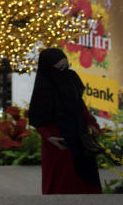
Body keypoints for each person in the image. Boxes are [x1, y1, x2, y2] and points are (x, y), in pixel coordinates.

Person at [28, 48, 102, 194]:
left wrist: (92, 125)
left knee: (87, 179)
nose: (64, 71)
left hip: (80, 138)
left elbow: (79, 105)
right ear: (48, 68)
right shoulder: (43, 89)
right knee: (63, 184)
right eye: (59, 67)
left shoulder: (70, 78)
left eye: (66, 66)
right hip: (59, 143)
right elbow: (39, 118)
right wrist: (49, 137)